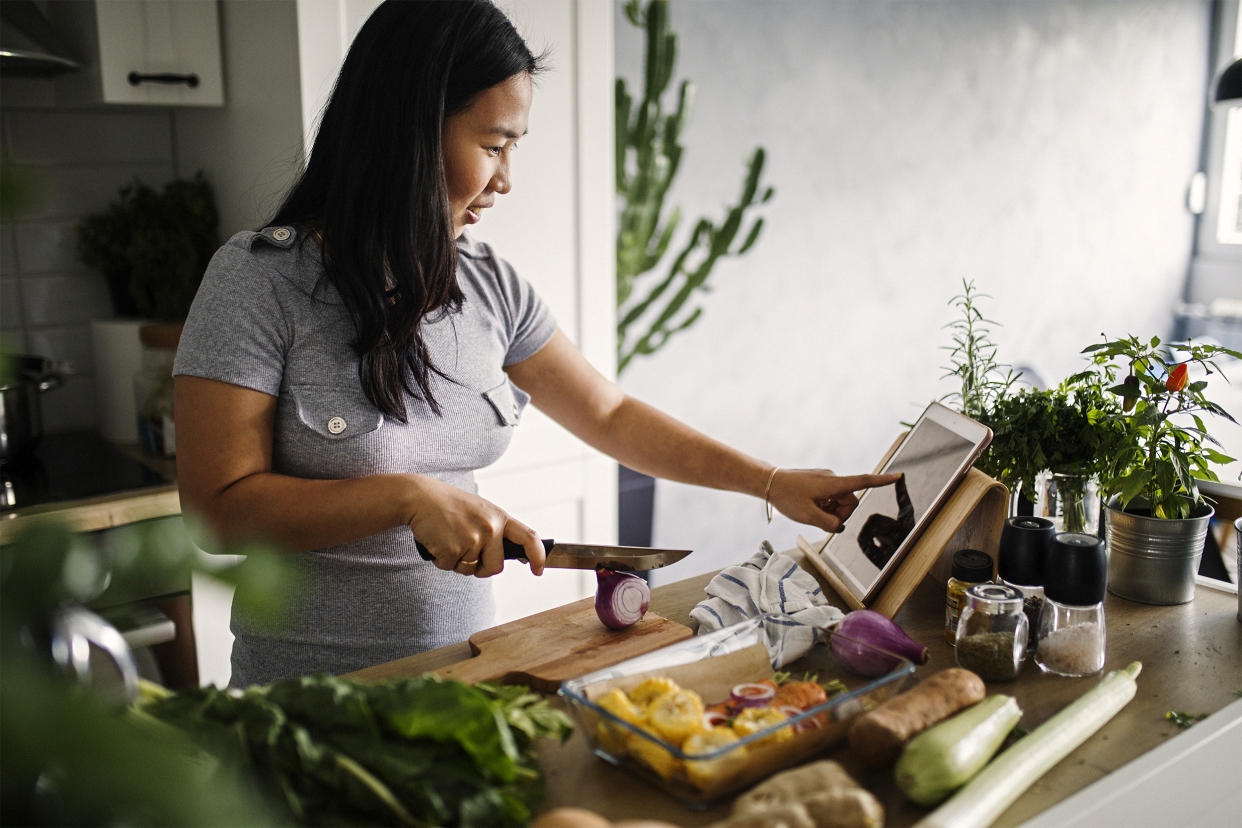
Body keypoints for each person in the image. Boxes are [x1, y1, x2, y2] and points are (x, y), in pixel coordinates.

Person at [173, 0, 899, 687]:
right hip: (307, 700)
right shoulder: (257, 281)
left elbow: (609, 415)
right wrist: (403, 496)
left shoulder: (492, 286)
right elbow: (217, 510)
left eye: (513, 147)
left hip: (464, 679)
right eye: (493, 145)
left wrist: (771, 483)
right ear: (408, 132)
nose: (506, 180)